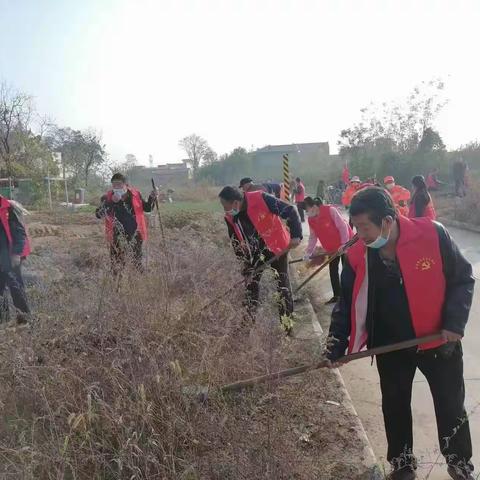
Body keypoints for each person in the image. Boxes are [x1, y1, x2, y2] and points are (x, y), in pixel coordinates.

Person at [327, 187, 475, 480]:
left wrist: (454, 323)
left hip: (438, 340)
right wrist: (335, 345)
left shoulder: (432, 234)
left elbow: (462, 278)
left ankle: (459, 463)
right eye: (356, 227)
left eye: (366, 227)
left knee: (450, 404)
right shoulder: (357, 253)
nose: (361, 234)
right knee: (394, 404)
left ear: (388, 220)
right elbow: (346, 304)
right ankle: (402, 464)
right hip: (390, 344)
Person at [219, 186, 302, 334]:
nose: (225, 210)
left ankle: (287, 329)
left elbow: (290, 210)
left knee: (282, 286)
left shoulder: (261, 198)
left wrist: (296, 235)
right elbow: (236, 243)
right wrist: (245, 266)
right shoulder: (230, 217)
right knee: (250, 287)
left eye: (226, 206)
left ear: (236, 203)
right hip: (255, 254)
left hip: (278, 248)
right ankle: (246, 327)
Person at [95, 173, 157, 272]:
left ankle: (137, 283)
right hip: (117, 234)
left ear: (125, 184)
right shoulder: (108, 197)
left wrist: (152, 198)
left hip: (135, 233)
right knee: (117, 265)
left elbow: (148, 208)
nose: (116, 187)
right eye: (114, 185)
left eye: (119, 184)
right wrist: (111, 203)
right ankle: (118, 284)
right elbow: (99, 214)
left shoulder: (135, 194)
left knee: (136, 262)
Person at [303, 196, 353, 304]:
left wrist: (344, 244)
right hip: (331, 248)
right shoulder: (311, 219)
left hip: (346, 244)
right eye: (306, 212)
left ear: (314, 206)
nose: (308, 213)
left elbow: (342, 226)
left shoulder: (330, 210)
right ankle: (337, 296)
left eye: (308, 210)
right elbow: (313, 236)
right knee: (333, 271)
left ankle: (349, 295)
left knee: (347, 270)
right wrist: (308, 252)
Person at [0, 195, 31, 324]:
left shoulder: (9, 208)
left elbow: (20, 232)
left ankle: (25, 319)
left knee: (15, 287)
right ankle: (4, 321)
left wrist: (16, 254)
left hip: (11, 255)